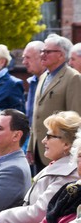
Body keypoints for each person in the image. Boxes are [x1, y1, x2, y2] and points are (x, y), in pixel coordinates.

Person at [28, 34, 81, 171]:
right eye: (42, 51)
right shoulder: (43, 77)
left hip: (60, 152)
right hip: (39, 149)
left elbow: (75, 118)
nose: (42, 55)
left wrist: (72, 151)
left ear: (62, 55)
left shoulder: (73, 77)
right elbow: (36, 114)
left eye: (48, 52)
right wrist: (30, 147)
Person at [21, 41, 45, 126]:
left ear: (42, 58)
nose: (24, 62)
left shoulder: (53, 80)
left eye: (28, 57)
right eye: (24, 58)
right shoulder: (33, 81)